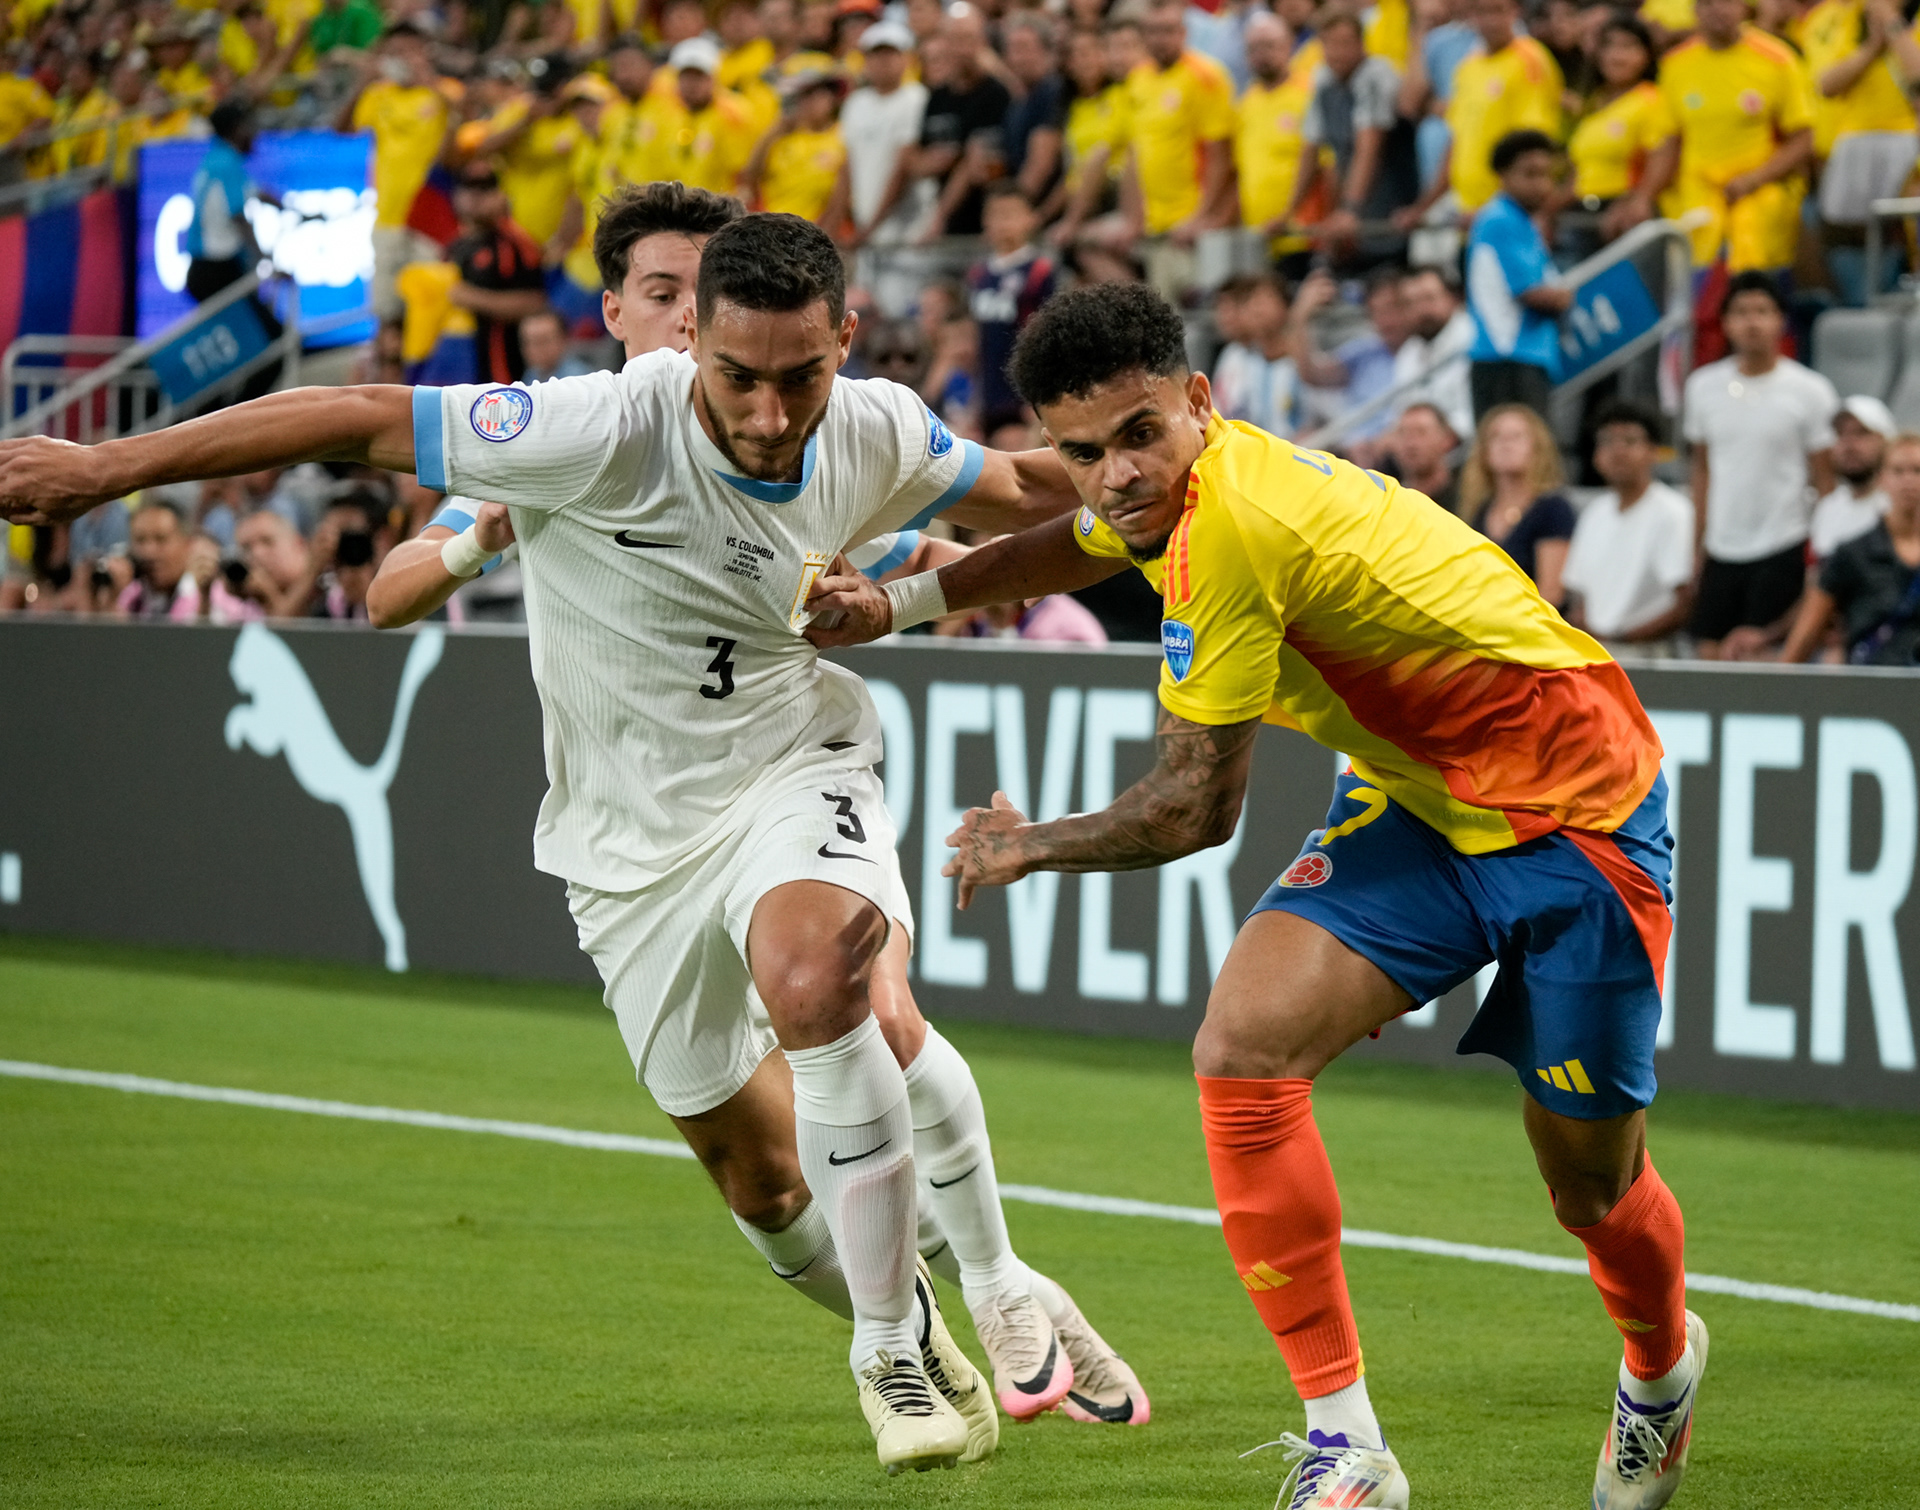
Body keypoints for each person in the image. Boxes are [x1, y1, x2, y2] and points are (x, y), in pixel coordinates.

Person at [0, 211, 1147, 1475]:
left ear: (842, 342)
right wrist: (108, 470)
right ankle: (922, 1305)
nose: (771, 415)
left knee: (834, 983)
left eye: (800, 377)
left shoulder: (868, 424)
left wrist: (1201, 480)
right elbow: (358, 425)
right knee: (761, 1183)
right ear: (668, 327)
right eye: (730, 367)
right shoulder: (578, 431)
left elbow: (1035, 494)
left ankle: (946, 1302)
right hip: (625, 848)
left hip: (789, 762)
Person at [805, 279, 1707, 1510]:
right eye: (1081, 451)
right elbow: (1081, 534)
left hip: (1581, 820)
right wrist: (904, 601)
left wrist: (1033, 848)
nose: (1115, 473)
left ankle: (1659, 1372)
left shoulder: (1236, 524)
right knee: (1242, 1053)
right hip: (1421, 799)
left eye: (1138, 436)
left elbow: (1195, 807)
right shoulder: (1154, 497)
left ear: (1198, 403)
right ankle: (1349, 1450)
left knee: (1589, 1189)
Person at [1683, 271, 1838, 659]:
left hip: (1782, 543)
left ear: (1780, 321)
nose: (1752, 321)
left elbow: (1825, 481)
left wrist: (1823, 552)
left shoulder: (1811, 391)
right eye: (1741, 311)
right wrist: (1696, 545)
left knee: (1762, 663)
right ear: (1726, 323)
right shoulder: (1702, 387)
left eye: (1763, 311)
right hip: (1722, 547)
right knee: (1709, 656)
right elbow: (1702, 471)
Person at [1657, 0, 1813, 275]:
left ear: (1744, 7)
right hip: (1698, 194)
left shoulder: (1777, 58)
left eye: (1728, 2)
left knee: (1759, 279)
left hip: (1759, 192)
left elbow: (1802, 137)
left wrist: (1753, 180)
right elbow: (1669, 141)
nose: (1718, 10)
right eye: (1708, 4)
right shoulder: (1674, 63)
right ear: (1694, 10)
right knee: (1696, 286)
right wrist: (1644, 196)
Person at [1397, 0, 1561, 223]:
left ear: (1516, 12)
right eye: (1483, 12)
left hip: (1507, 211)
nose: (1491, 21)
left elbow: (1533, 147)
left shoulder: (1531, 59)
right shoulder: (1468, 67)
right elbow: (1455, 143)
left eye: (1498, 10)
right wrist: (1425, 205)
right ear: (1471, 15)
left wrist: (1496, 208)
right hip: (1463, 207)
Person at [343, 23, 457, 322]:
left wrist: (428, 80)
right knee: (386, 313)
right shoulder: (378, 94)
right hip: (388, 219)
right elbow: (341, 129)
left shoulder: (444, 91)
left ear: (424, 51)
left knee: (432, 311)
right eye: (394, 52)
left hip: (432, 218)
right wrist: (361, 83)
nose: (402, 59)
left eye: (408, 51)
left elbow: (466, 120)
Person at [1122, 0, 1236, 298]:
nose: (1160, 39)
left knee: (1198, 314)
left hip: (1191, 224)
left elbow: (1221, 158)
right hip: (1155, 225)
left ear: (1184, 33)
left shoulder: (1206, 76)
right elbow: (1137, 152)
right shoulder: (1138, 78)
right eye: (1153, 31)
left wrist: (1202, 216)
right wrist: (1134, 217)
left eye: (1168, 31)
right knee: (1163, 316)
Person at [1563, 401, 1697, 652]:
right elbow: (1579, 598)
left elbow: (1684, 604)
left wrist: (1621, 639)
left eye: (1630, 440)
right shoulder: (1594, 513)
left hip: (1653, 654)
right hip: (1596, 654)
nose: (1618, 451)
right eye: (1607, 441)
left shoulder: (1675, 512)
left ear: (1654, 451)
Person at [1777, 430, 1920, 664]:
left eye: (1917, 470)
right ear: (1882, 478)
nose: (1909, 481)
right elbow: (1805, 635)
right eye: (1898, 471)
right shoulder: (1854, 552)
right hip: (1873, 683)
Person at [1280, 9, 1402, 266]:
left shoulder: (1376, 75)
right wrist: (1289, 213)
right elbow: (1311, 148)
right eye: (1330, 44)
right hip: (1356, 213)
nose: (1337, 52)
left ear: (1361, 44)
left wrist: (1349, 210)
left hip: (1393, 206)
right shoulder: (1323, 80)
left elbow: (1368, 146)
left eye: (1345, 43)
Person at [1465, 129, 1571, 420]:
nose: (1542, 185)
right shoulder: (1501, 219)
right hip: (1507, 359)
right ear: (1504, 175)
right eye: (1530, 174)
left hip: (1518, 358)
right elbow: (1534, 293)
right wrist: (1561, 298)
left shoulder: (1521, 221)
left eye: (1547, 174)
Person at [1559, 14, 1678, 260]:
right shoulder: (1594, 104)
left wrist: (1638, 201)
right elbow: (1579, 171)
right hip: (1583, 214)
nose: (1617, 55)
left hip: (1624, 217)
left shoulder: (1650, 100)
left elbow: (1662, 156)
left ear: (1647, 54)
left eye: (1628, 46)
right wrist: (1547, 212)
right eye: (1609, 46)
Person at [1459, 401, 1575, 606]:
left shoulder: (1553, 508)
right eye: (1496, 437)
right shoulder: (1480, 509)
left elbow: (1551, 593)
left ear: (1537, 447)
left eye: (1516, 436)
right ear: (1484, 450)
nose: (1506, 444)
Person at [965, 183, 1059, 433]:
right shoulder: (978, 274)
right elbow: (977, 338)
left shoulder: (1040, 271)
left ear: (1030, 219)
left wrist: (1039, 395)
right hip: (988, 393)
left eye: (1011, 214)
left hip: (1021, 398)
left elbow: (1047, 337)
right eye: (996, 215)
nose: (1003, 222)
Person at [447, 163, 550, 386]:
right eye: (469, 187)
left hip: (506, 368)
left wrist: (471, 298)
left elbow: (535, 303)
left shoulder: (516, 243)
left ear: (500, 195)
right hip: (459, 362)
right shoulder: (454, 246)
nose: (476, 196)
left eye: (486, 188)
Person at [839, 21, 928, 250]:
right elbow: (848, 168)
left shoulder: (917, 99)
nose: (883, 61)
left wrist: (869, 229)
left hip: (908, 227)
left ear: (906, 58)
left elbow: (903, 168)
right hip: (865, 226)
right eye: (876, 55)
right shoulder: (855, 103)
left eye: (891, 54)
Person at [1235, 10, 1315, 263]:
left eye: (1269, 46)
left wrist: (1288, 215)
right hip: (1257, 235)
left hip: (1303, 233)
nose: (1262, 55)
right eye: (1254, 48)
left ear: (1289, 45)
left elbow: (1323, 166)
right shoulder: (1247, 101)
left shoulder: (1308, 94)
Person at [1211, 272, 1302, 439]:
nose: (1257, 308)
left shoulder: (1303, 361)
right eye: (1251, 301)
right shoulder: (1247, 360)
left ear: (1285, 306)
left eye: (1264, 299)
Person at [1809, 394, 1895, 562]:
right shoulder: (1828, 508)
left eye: (1861, 433)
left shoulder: (1901, 507)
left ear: (1887, 440)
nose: (1849, 445)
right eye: (1841, 433)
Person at [1391, 264, 1474, 438]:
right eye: (1411, 303)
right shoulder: (1409, 351)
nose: (1422, 310)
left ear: (1452, 298)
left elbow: (1473, 414)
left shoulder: (1473, 338)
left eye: (1429, 298)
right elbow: (1401, 409)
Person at [117, 498, 203, 621]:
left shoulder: (212, 599)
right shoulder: (129, 596)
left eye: (161, 539)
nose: (149, 552)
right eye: (140, 540)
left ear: (188, 544)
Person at [1381, 399, 1459, 511]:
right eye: (1402, 433)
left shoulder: (1467, 499)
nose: (1410, 443)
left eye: (1421, 432)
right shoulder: (1388, 504)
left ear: (1447, 439)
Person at [517, 308, 594, 382]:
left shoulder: (578, 378)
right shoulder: (532, 373)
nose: (533, 349)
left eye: (542, 341)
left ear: (563, 340)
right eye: (528, 342)